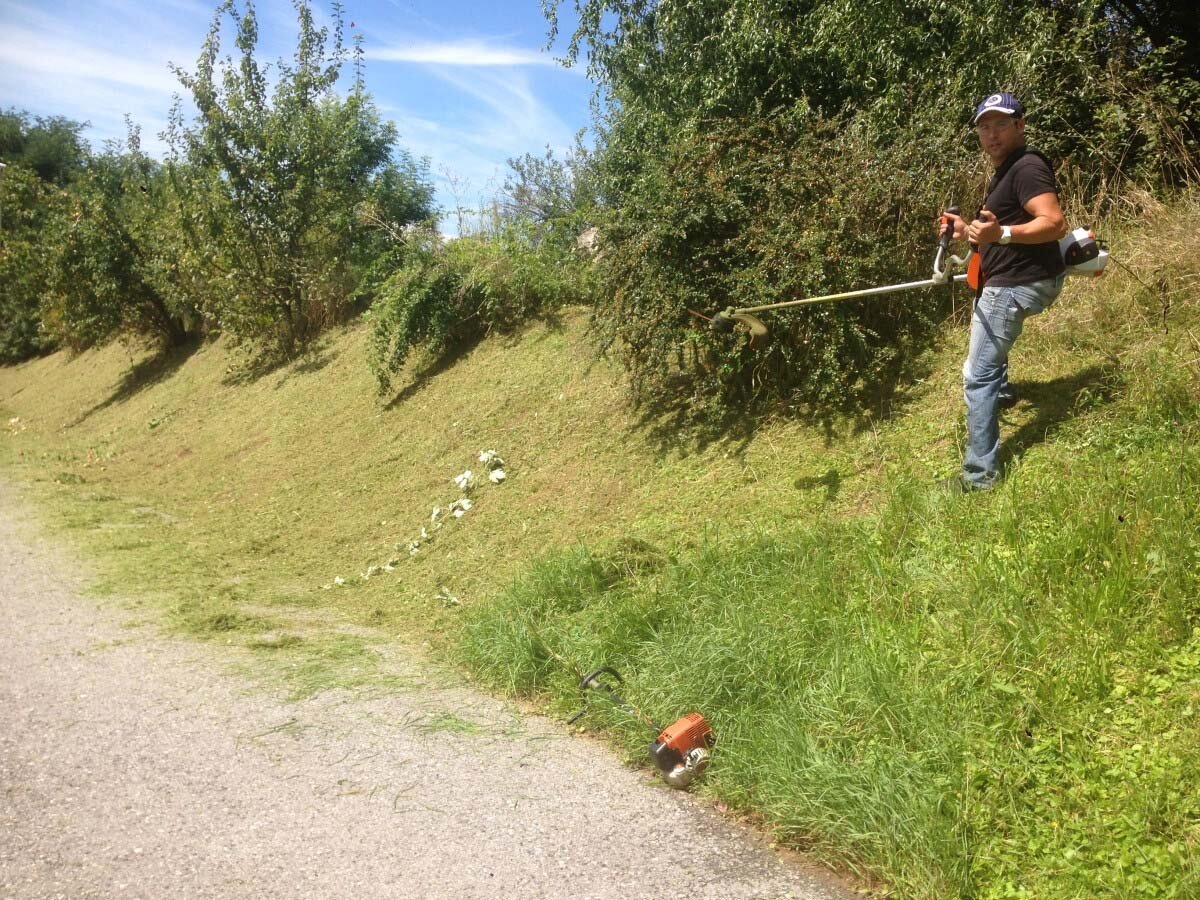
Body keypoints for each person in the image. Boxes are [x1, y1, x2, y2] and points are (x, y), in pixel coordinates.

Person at [939, 91, 1068, 491]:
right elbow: (998, 231)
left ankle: (979, 476)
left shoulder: (1026, 167)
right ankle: (1004, 392)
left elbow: (1054, 223)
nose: (992, 135)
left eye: (1000, 125)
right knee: (990, 365)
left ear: (1020, 125)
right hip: (1013, 281)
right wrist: (968, 233)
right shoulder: (1007, 171)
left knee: (977, 377)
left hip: (1014, 286)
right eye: (984, 127)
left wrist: (1004, 233)